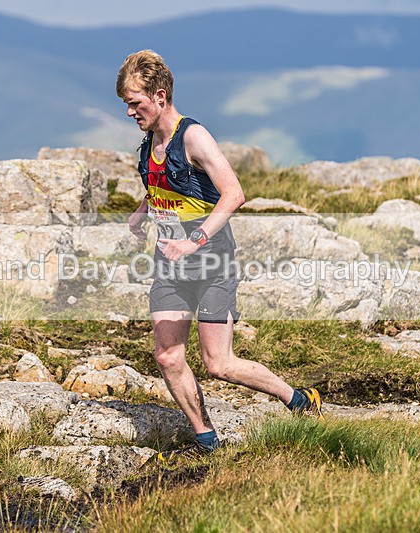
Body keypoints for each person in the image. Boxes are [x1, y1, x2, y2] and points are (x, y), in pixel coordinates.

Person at [116, 50, 322, 461]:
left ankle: (299, 399)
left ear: (160, 96)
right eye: (126, 104)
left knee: (219, 363)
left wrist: (195, 241)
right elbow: (164, 184)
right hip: (170, 266)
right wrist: (143, 211)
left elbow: (234, 193)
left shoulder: (193, 136)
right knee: (168, 355)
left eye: (135, 103)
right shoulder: (150, 139)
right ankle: (206, 437)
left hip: (211, 263)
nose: (130, 112)